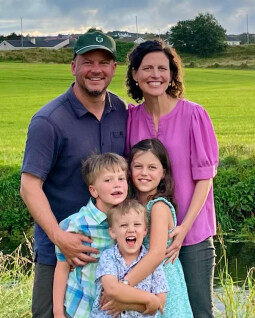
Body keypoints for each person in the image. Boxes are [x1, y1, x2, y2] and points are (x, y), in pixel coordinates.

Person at [20, 30, 127, 318]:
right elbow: (29, 187)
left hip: (111, 248)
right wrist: (60, 238)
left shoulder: (121, 110)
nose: (96, 70)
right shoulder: (48, 121)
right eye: (87, 61)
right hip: (61, 251)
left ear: (114, 68)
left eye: (103, 63)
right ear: (73, 66)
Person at [125, 40, 219, 317]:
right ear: (134, 74)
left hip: (191, 237)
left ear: (172, 74)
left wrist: (183, 228)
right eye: (147, 68)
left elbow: (205, 178)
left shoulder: (194, 115)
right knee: (155, 311)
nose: (155, 75)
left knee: (199, 310)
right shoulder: (131, 118)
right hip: (144, 238)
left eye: (162, 68)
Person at [53, 153, 129, 318]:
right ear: (93, 190)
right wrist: (58, 312)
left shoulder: (131, 221)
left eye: (121, 178)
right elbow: (62, 267)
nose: (117, 185)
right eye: (108, 180)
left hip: (116, 309)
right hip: (82, 309)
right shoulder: (76, 224)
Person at [90, 198, 168, 318]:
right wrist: (148, 298)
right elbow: (112, 289)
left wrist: (126, 305)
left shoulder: (151, 262)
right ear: (112, 232)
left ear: (145, 230)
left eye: (137, 224)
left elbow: (159, 304)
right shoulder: (109, 256)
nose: (131, 229)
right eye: (123, 225)